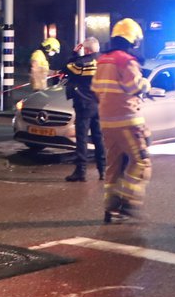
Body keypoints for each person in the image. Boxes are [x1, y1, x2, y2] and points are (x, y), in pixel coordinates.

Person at [95, 18, 152, 222]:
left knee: (113, 164)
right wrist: (146, 83)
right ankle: (127, 201)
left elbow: (96, 89)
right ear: (133, 40)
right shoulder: (126, 60)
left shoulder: (103, 60)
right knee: (141, 160)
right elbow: (134, 86)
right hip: (127, 118)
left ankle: (110, 209)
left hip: (106, 121)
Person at [64, 37, 105, 182]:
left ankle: (81, 171)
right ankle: (103, 170)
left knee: (81, 138)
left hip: (84, 104)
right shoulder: (104, 61)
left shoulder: (81, 63)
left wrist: (74, 53)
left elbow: (67, 67)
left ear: (86, 49)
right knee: (99, 138)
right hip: (100, 104)